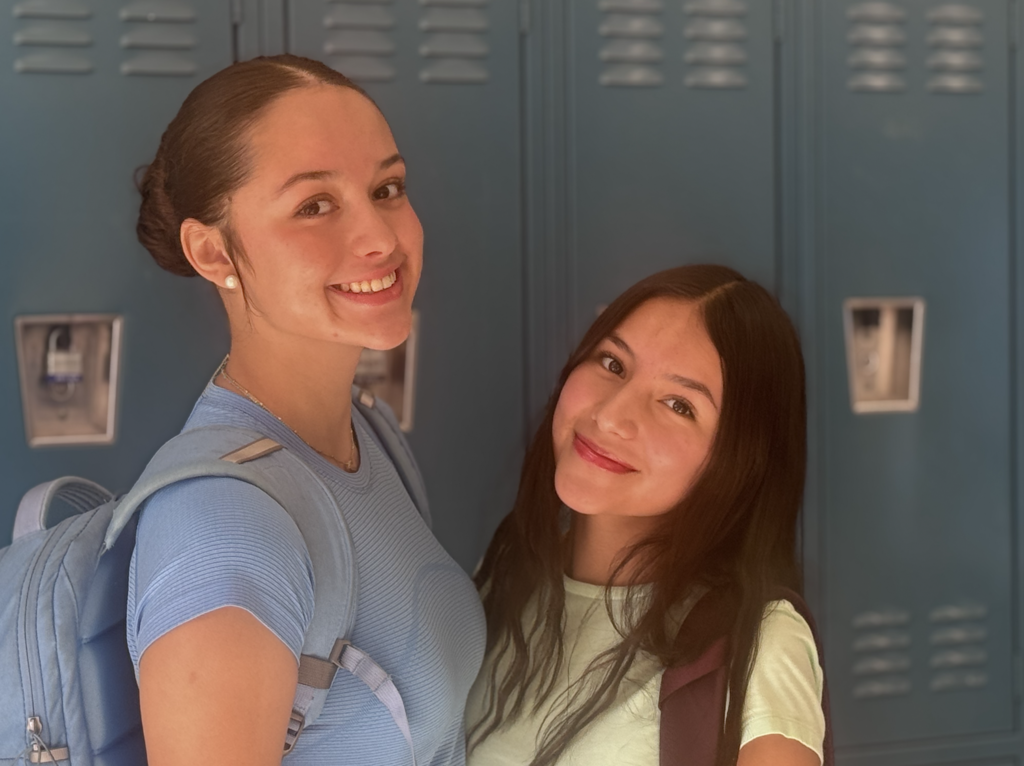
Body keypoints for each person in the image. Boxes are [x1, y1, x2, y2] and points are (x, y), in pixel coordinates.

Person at [130, 54, 484, 765]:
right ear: (212, 251)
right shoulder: (223, 530)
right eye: (314, 205)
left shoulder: (365, 436)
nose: (381, 238)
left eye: (388, 188)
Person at [466, 265, 824, 766]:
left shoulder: (759, 642)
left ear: (739, 462)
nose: (610, 416)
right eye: (612, 364)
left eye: (678, 404)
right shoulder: (499, 579)